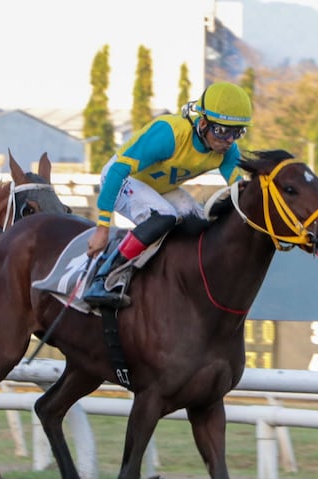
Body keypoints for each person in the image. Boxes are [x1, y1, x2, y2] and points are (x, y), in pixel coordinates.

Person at [83, 81, 253, 308]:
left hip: (159, 188)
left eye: (237, 132)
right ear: (202, 123)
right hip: (122, 179)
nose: (229, 140)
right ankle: (105, 277)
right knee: (165, 216)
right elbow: (117, 172)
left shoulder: (227, 150)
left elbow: (239, 190)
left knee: (200, 222)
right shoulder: (169, 134)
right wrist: (102, 228)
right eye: (222, 131)